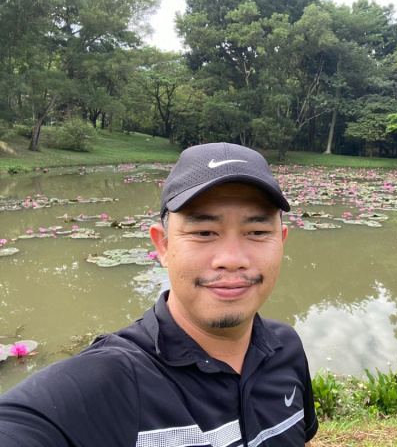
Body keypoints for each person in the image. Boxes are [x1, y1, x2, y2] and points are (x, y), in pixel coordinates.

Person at [0, 143, 318, 447]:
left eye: (257, 232)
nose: (232, 258)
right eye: (203, 232)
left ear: (281, 241)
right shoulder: (109, 383)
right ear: (163, 246)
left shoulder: (286, 348)